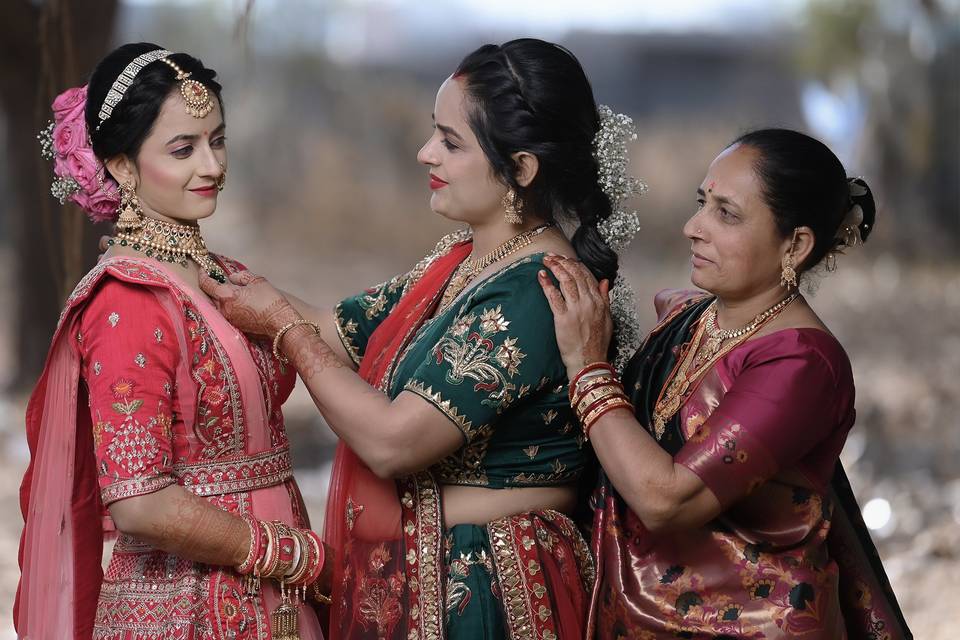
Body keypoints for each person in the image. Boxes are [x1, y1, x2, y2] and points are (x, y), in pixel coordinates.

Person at [199, 38, 640, 639]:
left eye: (451, 142)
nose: (424, 152)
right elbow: (335, 330)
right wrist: (182, 259)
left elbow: (392, 439)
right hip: (428, 573)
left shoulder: (538, 293)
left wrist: (282, 326)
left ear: (520, 168)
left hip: (489, 589)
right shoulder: (465, 260)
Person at [537, 128, 912, 638]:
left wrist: (587, 366)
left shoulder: (800, 365)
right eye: (701, 203)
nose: (693, 227)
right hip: (636, 618)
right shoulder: (686, 317)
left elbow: (669, 500)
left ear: (795, 244)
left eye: (726, 214)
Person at [17, 43, 328, 640]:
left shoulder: (225, 276)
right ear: (122, 167)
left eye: (217, 139)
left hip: (274, 597)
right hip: (185, 608)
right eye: (182, 149)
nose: (211, 166)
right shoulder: (126, 301)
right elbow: (141, 503)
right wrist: (296, 557)